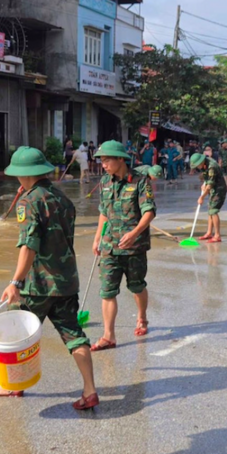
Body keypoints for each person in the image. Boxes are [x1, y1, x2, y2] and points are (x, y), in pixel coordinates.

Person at [0, 147, 98, 409]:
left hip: (37, 286)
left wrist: (16, 282)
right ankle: (90, 390)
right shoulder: (63, 199)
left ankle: (11, 386)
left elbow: (29, 245)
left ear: (21, 175)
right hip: (66, 281)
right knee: (74, 335)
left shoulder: (29, 201)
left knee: (16, 334)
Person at [90, 140, 156, 351]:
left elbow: (149, 211)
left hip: (134, 247)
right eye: (102, 160)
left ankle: (142, 317)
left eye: (107, 160)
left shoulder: (140, 181)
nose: (104, 164)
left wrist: (134, 233)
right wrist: (97, 237)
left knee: (136, 286)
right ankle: (109, 336)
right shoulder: (105, 182)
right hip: (110, 245)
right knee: (107, 291)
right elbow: (103, 211)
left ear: (121, 159)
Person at [190, 153, 227, 243]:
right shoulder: (205, 164)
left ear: (201, 161)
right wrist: (204, 184)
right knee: (210, 210)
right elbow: (207, 179)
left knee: (213, 211)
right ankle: (209, 233)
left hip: (219, 190)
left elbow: (210, 184)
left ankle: (217, 235)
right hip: (213, 189)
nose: (197, 167)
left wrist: (202, 197)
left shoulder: (212, 166)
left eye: (197, 165)